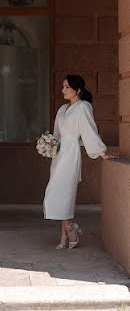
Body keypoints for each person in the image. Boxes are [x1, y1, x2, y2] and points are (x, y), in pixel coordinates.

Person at [43, 75, 114, 249]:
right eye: (63, 87)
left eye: (67, 87)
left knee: (65, 191)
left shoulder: (83, 107)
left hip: (71, 153)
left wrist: (101, 153)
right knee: (54, 191)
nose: (63, 90)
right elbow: (57, 134)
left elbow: (89, 130)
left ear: (78, 90)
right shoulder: (62, 109)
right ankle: (68, 231)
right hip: (59, 155)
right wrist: (48, 145)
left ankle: (68, 230)